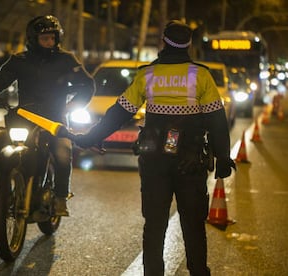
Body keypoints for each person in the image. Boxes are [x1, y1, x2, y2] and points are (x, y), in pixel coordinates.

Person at [73, 20, 235, 275]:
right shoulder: (200, 75)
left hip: (155, 159)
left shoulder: (148, 75)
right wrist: (223, 158)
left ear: (163, 42)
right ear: (188, 45)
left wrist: (91, 137)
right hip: (190, 160)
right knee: (193, 225)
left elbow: (119, 113)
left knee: (155, 225)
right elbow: (217, 120)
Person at [0, 15, 95, 216]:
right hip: (23, 118)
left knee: (63, 153)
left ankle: (60, 197)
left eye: (52, 38)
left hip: (54, 120)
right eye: (44, 38)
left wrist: (72, 105)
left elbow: (87, 85)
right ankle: (5, 191)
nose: (49, 42)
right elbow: (0, 79)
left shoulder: (66, 60)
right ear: (33, 39)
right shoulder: (19, 60)